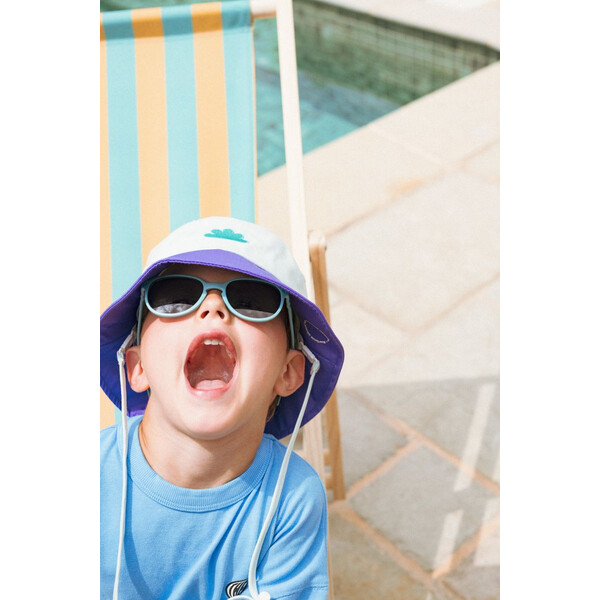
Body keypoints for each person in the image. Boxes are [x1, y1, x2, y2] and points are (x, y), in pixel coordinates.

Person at [100, 216, 344, 600]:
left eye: (252, 302)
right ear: (137, 365)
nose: (213, 307)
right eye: (176, 297)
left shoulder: (290, 501)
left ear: (288, 373)